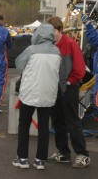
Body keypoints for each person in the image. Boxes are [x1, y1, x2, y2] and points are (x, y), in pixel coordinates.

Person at [12, 23, 61, 170]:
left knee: (24, 125)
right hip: (48, 95)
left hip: (29, 94)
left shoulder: (31, 50)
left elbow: (18, 65)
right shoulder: (57, 51)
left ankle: (22, 158)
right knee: (44, 127)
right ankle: (40, 160)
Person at [47, 16, 90, 168]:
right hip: (55, 88)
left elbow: (79, 69)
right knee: (57, 120)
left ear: (59, 30)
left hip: (69, 88)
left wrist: (69, 82)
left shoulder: (71, 44)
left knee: (72, 121)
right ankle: (63, 153)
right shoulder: (50, 46)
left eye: (52, 31)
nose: (50, 34)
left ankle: (83, 155)